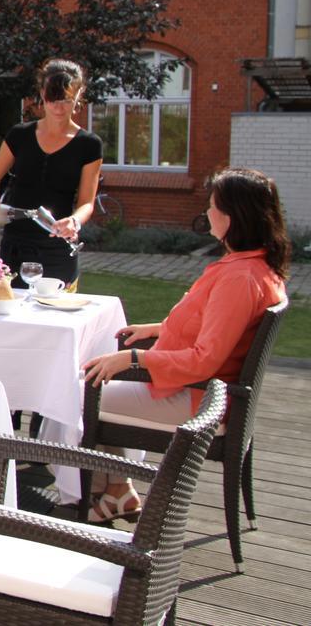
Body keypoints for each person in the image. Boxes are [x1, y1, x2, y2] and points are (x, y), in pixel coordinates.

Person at [81, 167, 289, 523]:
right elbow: (215, 326)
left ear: (232, 216)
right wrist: (158, 329)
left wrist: (133, 357)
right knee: (96, 382)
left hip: (198, 400)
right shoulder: (253, 267)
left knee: (79, 398)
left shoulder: (239, 278)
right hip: (202, 392)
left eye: (212, 205)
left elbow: (204, 360)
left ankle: (98, 495)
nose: (207, 212)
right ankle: (116, 492)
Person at [0, 59, 102, 287]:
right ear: (42, 94)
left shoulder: (89, 144)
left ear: (79, 94)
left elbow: (87, 203)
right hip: (15, 245)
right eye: (53, 99)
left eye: (66, 100)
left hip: (57, 247)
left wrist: (74, 221)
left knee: (55, 316)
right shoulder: (19, 135)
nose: (59, 108)